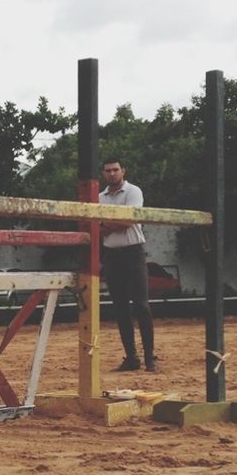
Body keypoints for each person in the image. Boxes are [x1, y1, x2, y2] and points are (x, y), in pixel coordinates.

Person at [99, 156, 157, 372]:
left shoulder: (133, 191)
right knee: (121, 308)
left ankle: (150, 357)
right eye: (108, 170)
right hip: (112, 255)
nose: (112, 173)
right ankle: (131, 357)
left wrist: (106, 224)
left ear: (123, 171)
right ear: (104, 173)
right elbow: (96, 227)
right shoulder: (99, 197)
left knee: (141, 305)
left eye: (115, 169)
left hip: (133, 253)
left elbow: (129, 221)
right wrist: (113, 224)